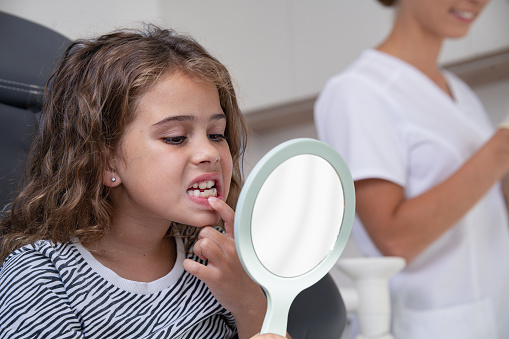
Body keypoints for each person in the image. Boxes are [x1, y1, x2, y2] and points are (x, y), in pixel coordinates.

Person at [0, 24, 271, 339]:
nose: (209, 152)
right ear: (105, 161)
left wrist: (250, 303)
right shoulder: (43, 275)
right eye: (175, 138)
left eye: (216, 134)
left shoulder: (218, 263)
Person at [314, 0, 509, 338]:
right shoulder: (357, 91)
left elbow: (487, 214)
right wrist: (502, 147)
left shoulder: (461, 93)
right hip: (424, 325)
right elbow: (394, 239)